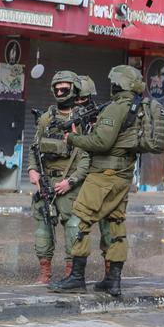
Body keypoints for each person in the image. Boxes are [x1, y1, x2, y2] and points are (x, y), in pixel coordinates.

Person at [50, 65, 145, 296]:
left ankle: (76, 278)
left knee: (80, 221)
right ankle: (113, 281)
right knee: (115, 224)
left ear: (119, 83)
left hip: (104, 174)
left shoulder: (116, 108)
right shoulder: (138, 107)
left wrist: (73, 138)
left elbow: (101, 143)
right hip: (123, 175)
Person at [28, 71, 90, 284]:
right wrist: (32, 170)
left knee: (73, 229)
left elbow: (86, 158)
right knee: (43, 229)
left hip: (70, 184)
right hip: (46, 182)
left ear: (74, 90)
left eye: (65, 88)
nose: (60, 92)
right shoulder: (46, 118)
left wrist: (70, 182)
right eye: (57, 88)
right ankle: (44, 272)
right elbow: (34, 148)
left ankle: (70, 272)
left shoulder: (82, 120)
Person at [75, 75, 112, 272]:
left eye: (83, 99)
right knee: (78, 226)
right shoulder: (70, 117)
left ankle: (110, 272)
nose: (79, 103)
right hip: (77, 178)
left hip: (100, 176)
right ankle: (75, 272)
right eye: (76, 99)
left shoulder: (104, 117)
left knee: (108, 226)